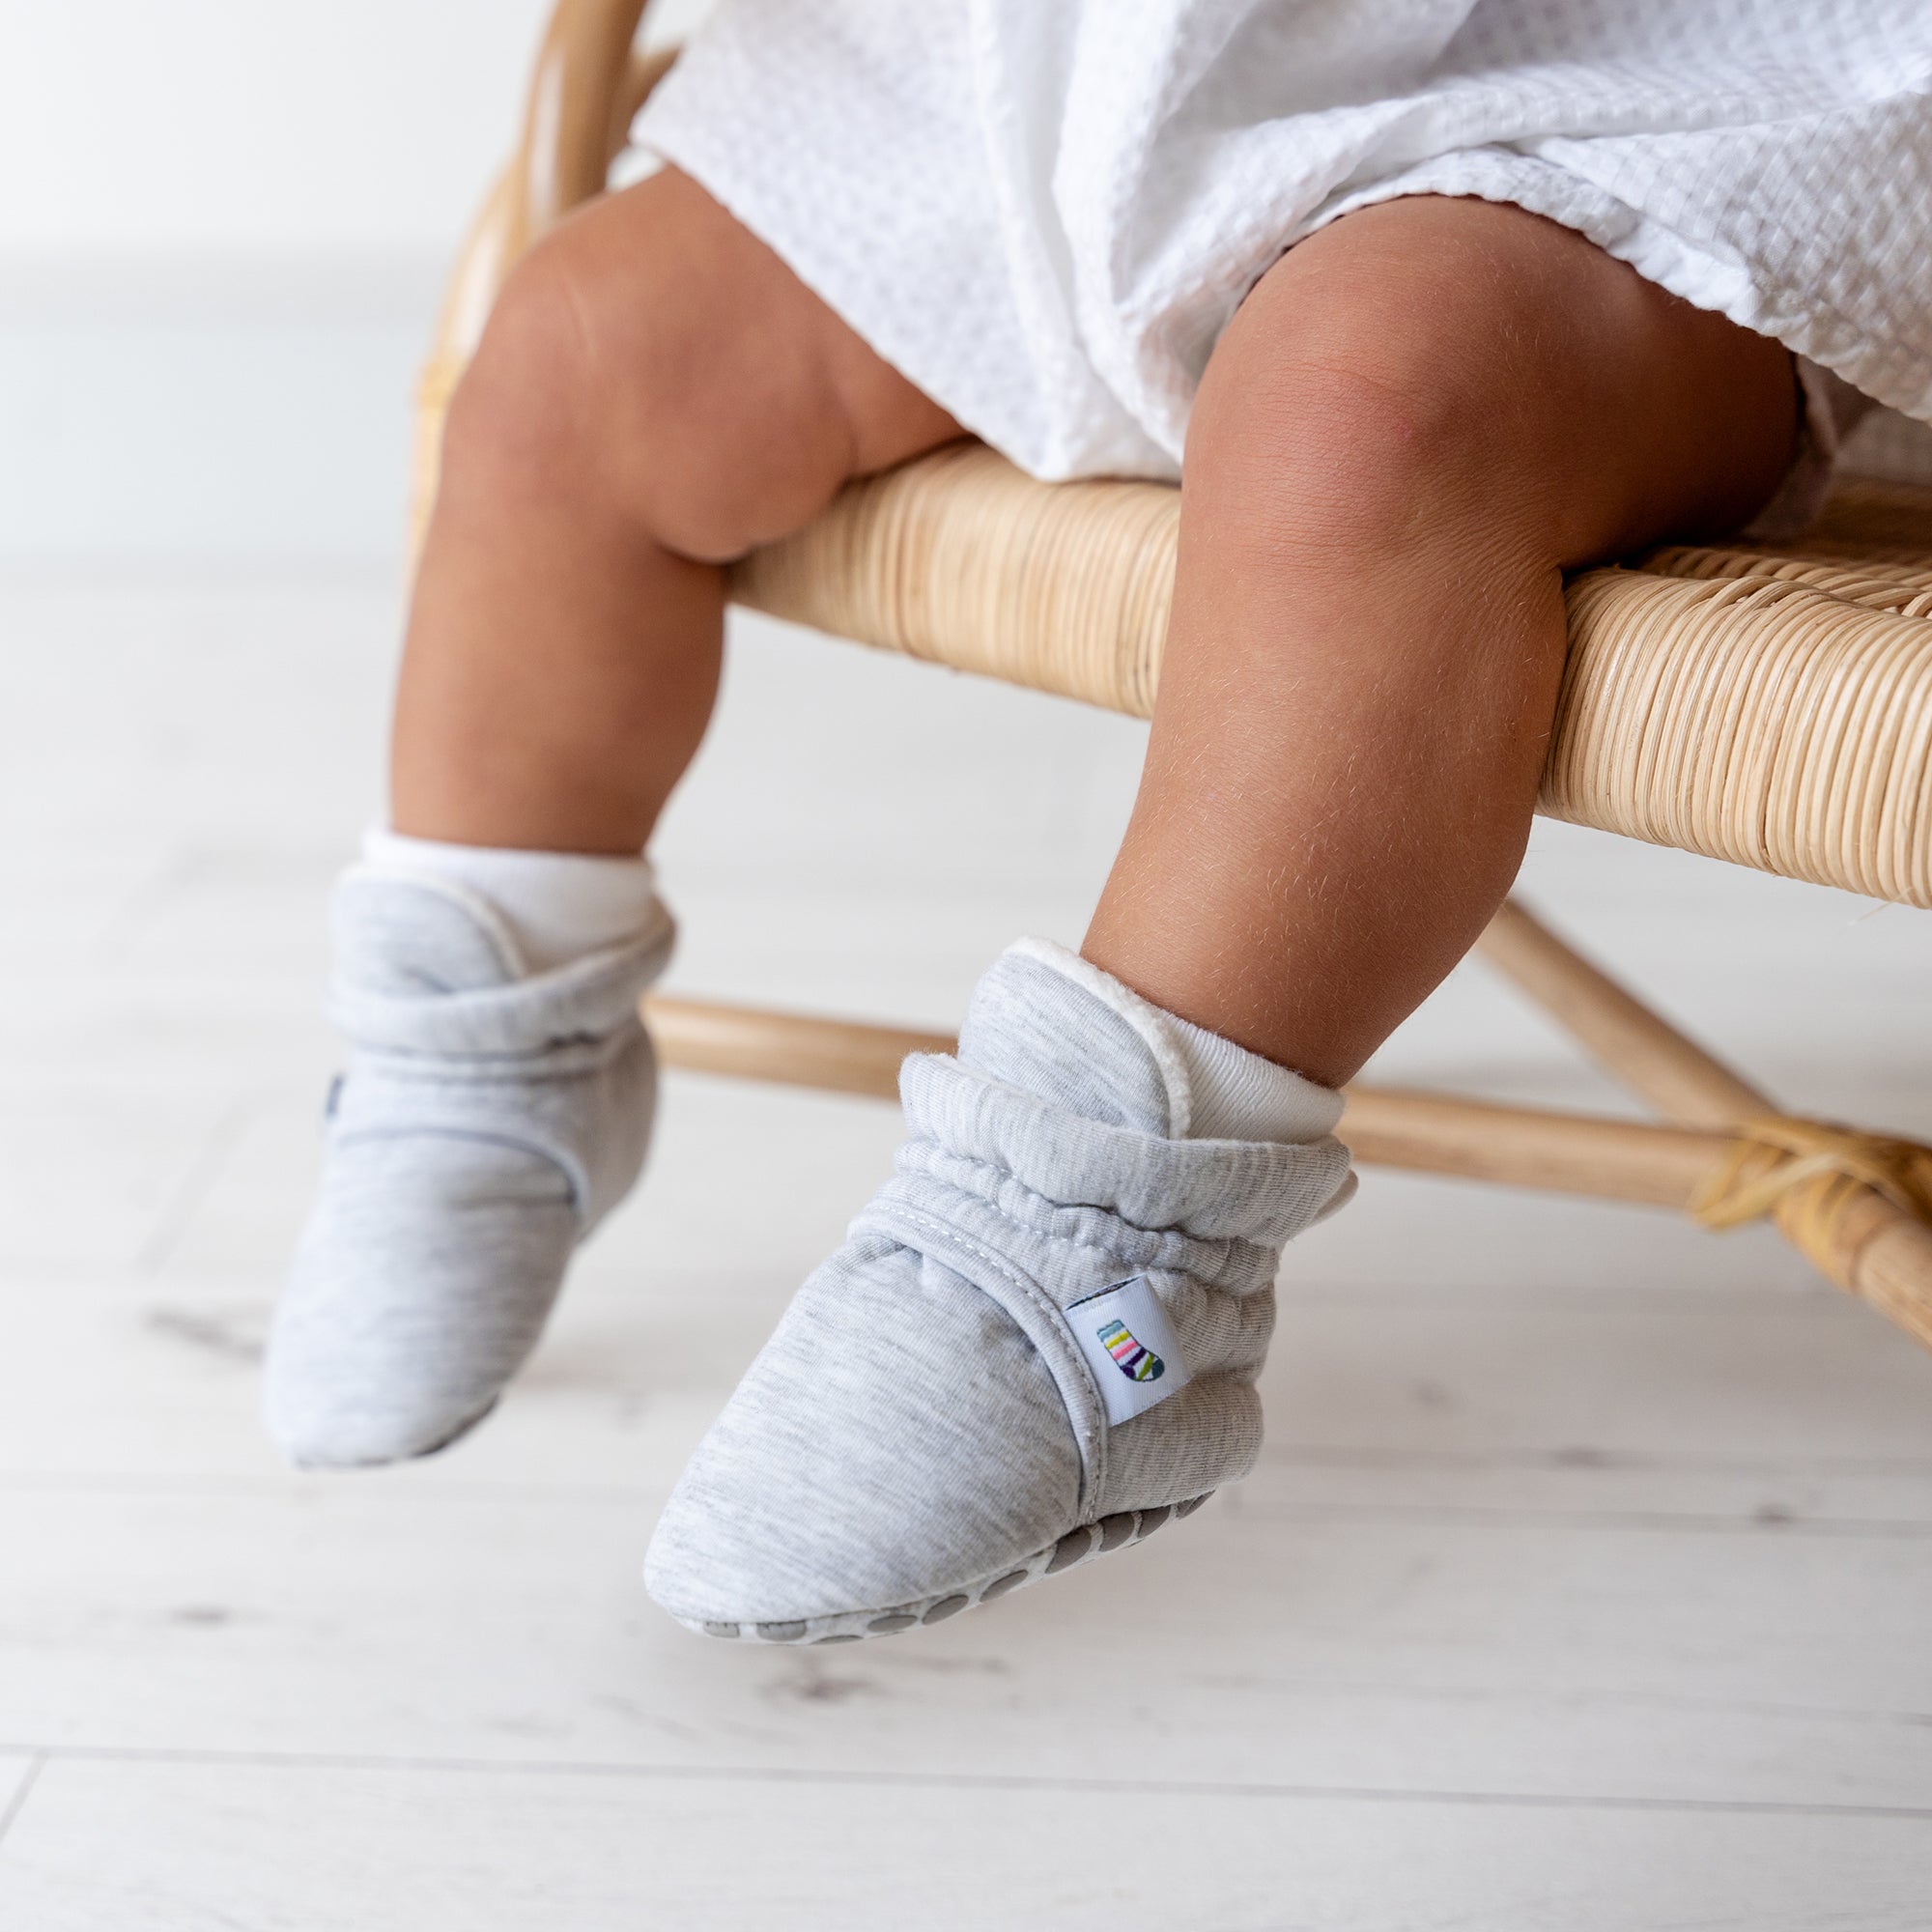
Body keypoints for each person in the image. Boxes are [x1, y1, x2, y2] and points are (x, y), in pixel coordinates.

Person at [263, 1, 1929, 1643]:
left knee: (1376, 409)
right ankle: (487, 1041)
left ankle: (1109, 1257)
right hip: (1061, 90)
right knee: (579, 353)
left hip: (1619, 89)